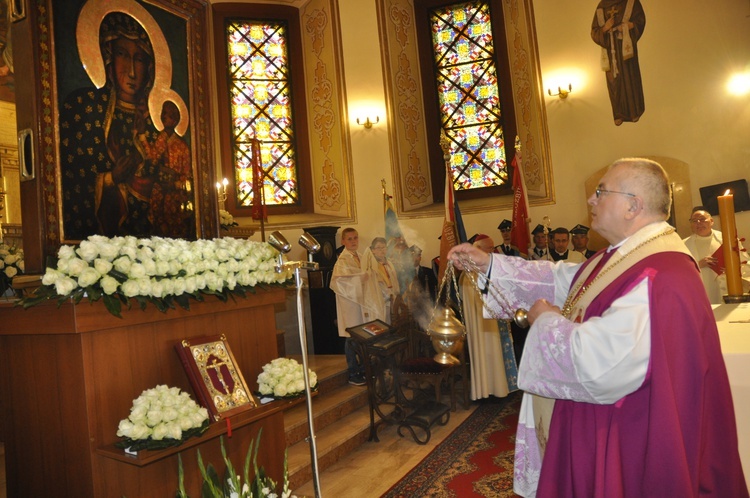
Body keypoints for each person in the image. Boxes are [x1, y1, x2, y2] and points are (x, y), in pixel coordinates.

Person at [448, 158, 747, 497]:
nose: (591, 199)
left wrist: (545, 322)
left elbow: (602, 364)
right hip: (609, 425)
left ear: (633, 206)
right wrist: (490, 265)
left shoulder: (660, 274)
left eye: (602, 192)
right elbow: (564, 282)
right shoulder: (626, 255)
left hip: (630, 439)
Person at [61, 12, 163, 239]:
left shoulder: (157, 122)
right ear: (107, 58)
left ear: (150, 67)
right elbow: (71, 180)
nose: (132, 71)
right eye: (122, 55)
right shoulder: (84, 106)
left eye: (140, 59)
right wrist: (110, 179)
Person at [459, 235, 518, 400]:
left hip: (491, 321)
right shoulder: (472, 271)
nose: (493, 251)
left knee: (495, 355)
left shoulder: (481, 268)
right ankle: (490, 391)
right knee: (488, 355)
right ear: (479, 249)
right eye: (490, 249)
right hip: (482, 325)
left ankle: (498, 388)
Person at [140, 100, 193, 239]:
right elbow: (152, 157)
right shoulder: (160, 139)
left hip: (174, 194)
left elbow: (187, 175)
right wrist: (142, 137)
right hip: (159, 191)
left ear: (175, 119)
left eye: (168, 114)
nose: (164, 117)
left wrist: (175, 184)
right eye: (163, 113)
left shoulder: (182, 146)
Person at [591, 0, 646, 126]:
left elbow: (640, 21)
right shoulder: (601, 7)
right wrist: (605, 27)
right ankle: (618, 114)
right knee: (614, 82)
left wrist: (628, 26)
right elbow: (594, 32)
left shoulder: (631, 2)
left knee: (630, 78)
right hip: (610, 51)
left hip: (626, 49)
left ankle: (634, 112)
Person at [682, 206, 749, 304]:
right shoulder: (683, 245)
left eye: (702, 219)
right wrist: (698, 265)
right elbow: (678, 272)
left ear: (711, 221)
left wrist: (733, 270)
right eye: (694, 221)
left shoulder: (728, 239)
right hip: (701, 294)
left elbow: (745, 264)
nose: (698, 223)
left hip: (728, 292)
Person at [329, 228, 369, 386]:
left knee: (361, 336)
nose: (353, 241)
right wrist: (361, 279)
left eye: (355, 238)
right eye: (350, 239)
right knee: (351, 337)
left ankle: (363, 369)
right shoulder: (342, 260)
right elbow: (338, 282)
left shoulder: (361, 257)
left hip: (361, 303)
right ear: (343, 241)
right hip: (350, 304)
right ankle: (353, 372)